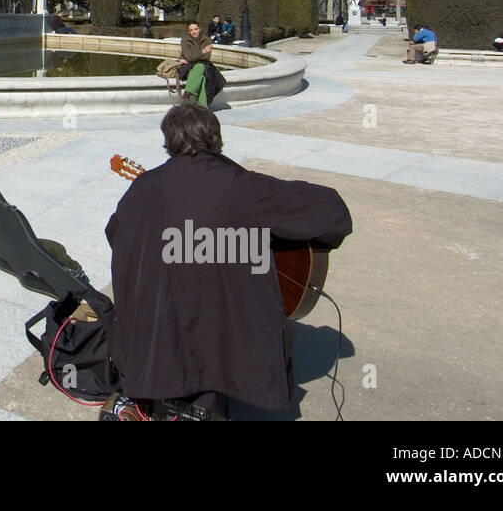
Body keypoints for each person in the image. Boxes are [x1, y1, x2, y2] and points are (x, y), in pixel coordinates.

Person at [104, 103, 352, 418]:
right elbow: (334, 213)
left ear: (169, 143)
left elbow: (116, 237)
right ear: (217, 140)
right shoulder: (245, 187)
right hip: (221, 328)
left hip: (152, 334)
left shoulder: (141, 187)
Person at [178, 21, 224, 107]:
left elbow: (206, 58)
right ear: (188, 31)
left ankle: (187, 93)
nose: (194, 31)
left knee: (200, 66)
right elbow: (189, 58)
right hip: (188, 67)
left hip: (203, 66)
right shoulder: (184, 40)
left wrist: (193, 57)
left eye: (195, 29)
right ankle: (203, 107)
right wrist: (202, 51)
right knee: (201, 77)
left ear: (200, 29)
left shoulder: (207, 40)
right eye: (191, 30)